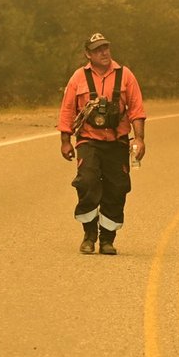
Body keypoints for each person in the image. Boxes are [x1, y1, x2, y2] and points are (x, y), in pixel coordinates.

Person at [59, 32, 146, 255]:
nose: (104, 52)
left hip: (117, 142)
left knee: (117, 189)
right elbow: (67, 110)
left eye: (106, 47)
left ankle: (107, 238)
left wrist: (139, 139)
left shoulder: (125, 75)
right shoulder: (78, 77)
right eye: (98, 49)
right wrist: (65, 141)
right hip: (88, 141)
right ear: (88, 54)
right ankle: (89, 235)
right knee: (86, 182)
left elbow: (137, 110)